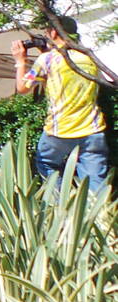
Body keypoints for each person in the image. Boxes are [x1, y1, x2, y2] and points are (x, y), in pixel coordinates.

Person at [13, 17, 110, 195]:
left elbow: (22, 88)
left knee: (46, 164)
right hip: (93, 129)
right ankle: (100, 218)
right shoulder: (89, 57)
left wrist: (20, 61)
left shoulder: (47, 59)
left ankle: (61, 208)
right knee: (95, 182)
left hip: (60, 131)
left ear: (54, 32)